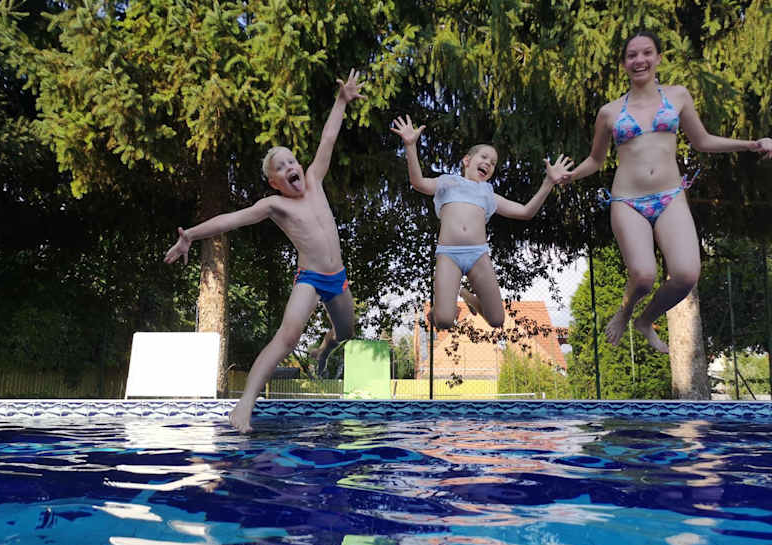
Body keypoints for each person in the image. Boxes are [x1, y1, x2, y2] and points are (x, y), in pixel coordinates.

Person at [165, 69, 365, 432]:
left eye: (292, 161)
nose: (290, 167)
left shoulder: (315, 180)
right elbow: (231, 219)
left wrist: (341, 101)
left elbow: (328, 139)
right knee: (287, 337)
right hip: (310, 279)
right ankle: (244, 405)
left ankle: (323, 347)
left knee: (346, 333)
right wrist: (190, 235)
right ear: (274, 182)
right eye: (281, 168)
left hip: (338, 278)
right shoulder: (276, 205)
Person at [563, 30, 772, 353]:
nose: (640, 60)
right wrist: (569, 175)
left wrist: (751, 144)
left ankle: (645, 320)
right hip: (628, 201)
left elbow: (702, 140)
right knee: (643, 275)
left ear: (658, 58)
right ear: (623, 64)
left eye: (647, 53)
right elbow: (596, 160)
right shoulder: (609, 112)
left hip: (670, 196)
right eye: (632, 55)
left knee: (686, 275)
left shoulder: (678, 96)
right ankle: (625, 312)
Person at [390, 115, 572, 330]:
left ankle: (467, 296)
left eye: (493, 163)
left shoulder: (488, 193)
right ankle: (441, 310)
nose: (488, 163)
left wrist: (548, 183)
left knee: (497, 320)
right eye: (484, 157)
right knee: (445, 321)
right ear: (467, 161)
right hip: (449, 254)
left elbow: (525, 212)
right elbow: (418, 183)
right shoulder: (448, 182)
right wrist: (410, 146)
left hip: (478, 254)